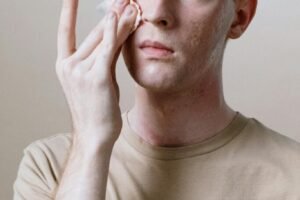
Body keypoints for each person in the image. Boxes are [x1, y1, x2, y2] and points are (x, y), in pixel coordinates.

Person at [13, 0, 300, 199]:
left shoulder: (293, 177)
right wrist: (90, 142)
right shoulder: (48, 169)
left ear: (239, 17)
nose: (158, 11)